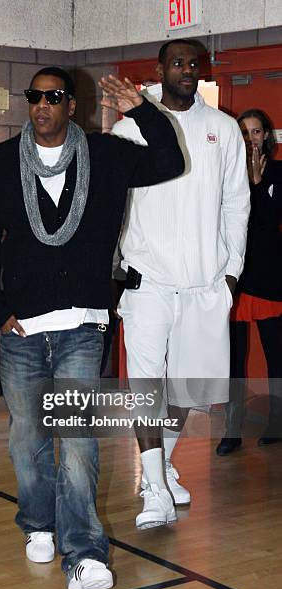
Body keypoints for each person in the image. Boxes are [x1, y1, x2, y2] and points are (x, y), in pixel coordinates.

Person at [0, 66, 184, 589]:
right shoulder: (3, 162)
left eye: (54, 97)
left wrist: (141, 109)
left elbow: (169, 159)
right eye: (35, 97)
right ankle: (38, 523)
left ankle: (85, 551)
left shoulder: (106, 155)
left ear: (73, 106)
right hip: (21, 330)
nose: (42, 105)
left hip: (83, 328)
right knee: (28, 440)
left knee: (79, 442)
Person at [112, 39, 250, 529]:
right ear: (160, 69)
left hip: (204, 284)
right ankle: (154, 488)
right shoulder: (130, 126)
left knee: (186, 391)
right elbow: (118, 203)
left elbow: (236, 204)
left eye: (195, 63)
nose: (187, 70)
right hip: (148, 281)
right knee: (147, 386)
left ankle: (162, 467)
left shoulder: (224, 129)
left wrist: (231, 273)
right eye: (178, 62)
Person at [216, 109, 282, 455]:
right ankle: (231, 431)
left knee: (277, 355)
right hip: (234, 277)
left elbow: (267, 222)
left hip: (270, 276)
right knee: (233, 359)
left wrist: (258, 188)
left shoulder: (280, 173)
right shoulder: (226, 174)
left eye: (256, 132)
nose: (250, 138)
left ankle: (277, 422)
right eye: (243, 132)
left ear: (267, 137)